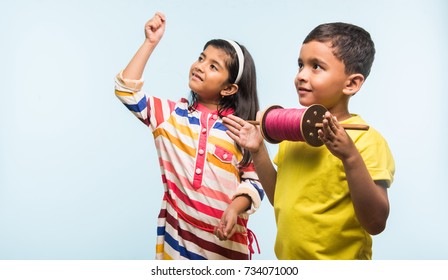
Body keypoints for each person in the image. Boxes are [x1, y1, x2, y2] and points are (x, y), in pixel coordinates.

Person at [223, 22, 395, 259]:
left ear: (351, 83)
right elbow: (280, 199)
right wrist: (259, 149)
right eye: (300, 65)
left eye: (316, 67)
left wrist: (350, 156)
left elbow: (375, 223)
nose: (301, 76)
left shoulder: (367, 141)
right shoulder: (294, 134)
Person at [114, 12, 264, 260]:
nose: (200, 66)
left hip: (225, 250)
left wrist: (235, 208)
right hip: (177, 244)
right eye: (201, 58)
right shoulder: (170, 116)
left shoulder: (241, 130)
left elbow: (255, 182)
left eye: (213, 66)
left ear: (229, 88)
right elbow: (125, 90)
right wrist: (150, 43)